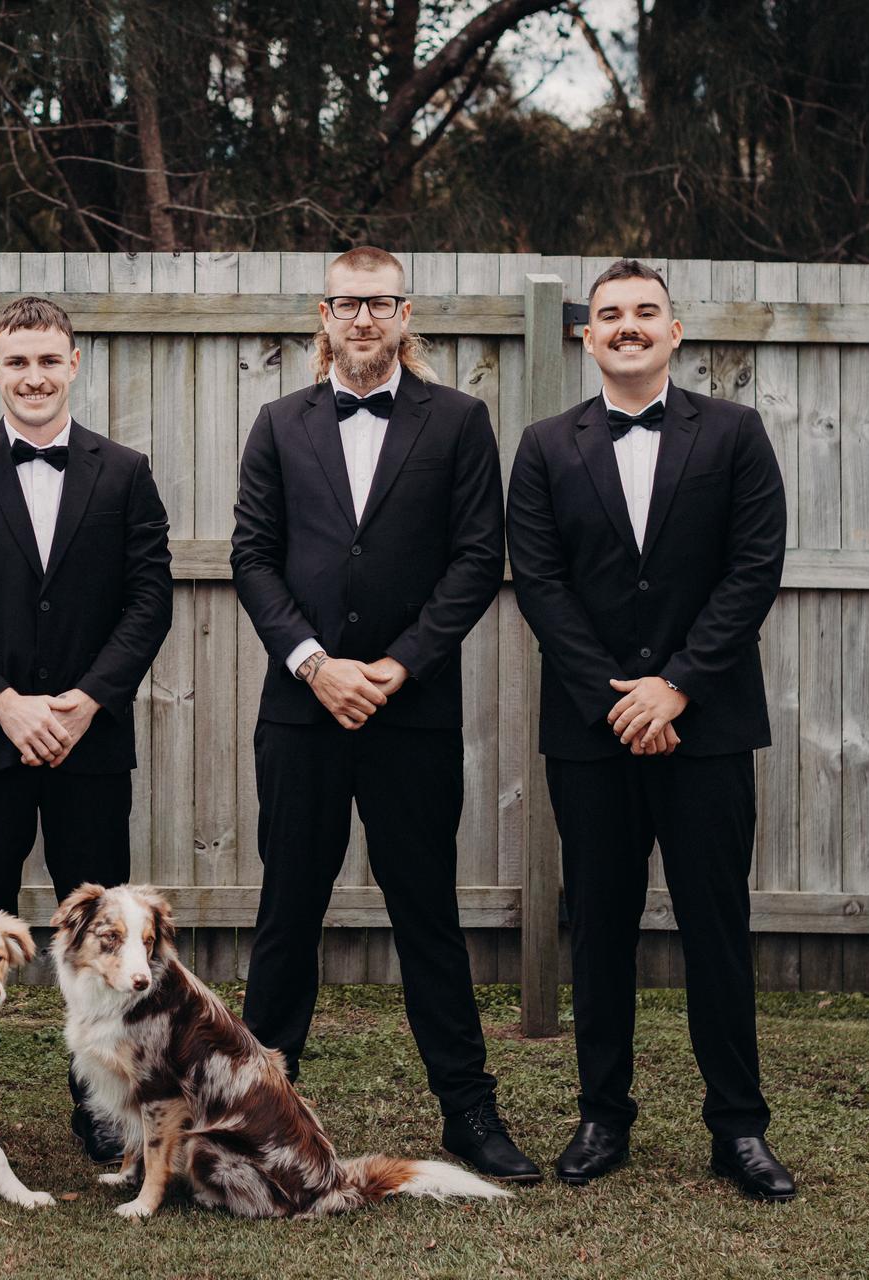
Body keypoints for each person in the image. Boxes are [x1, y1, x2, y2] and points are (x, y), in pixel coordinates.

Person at [230, 246, 536, 1182]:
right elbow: (253, 557)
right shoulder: (279, 423)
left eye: (381, 304)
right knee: (287, 914)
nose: (363, 319)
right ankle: (259, 1121)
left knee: (427, 916)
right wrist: (317, 665)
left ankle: (469, 1112)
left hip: (410, 716)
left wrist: (398, 666)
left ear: (408, 314)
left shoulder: (460, 423)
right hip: (301, 709)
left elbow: (477, 560)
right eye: (347, 304)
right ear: (321, 315)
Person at [506, 258, 794, 1200]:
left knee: (718, 925)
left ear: (674, 331)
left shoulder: (737, 435)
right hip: (591, 734)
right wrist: (617, 698)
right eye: (609, 315)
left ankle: (739, 1129)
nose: (627, 326)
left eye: (645, 312)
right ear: (586, 336)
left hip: (706, 727)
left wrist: (674, 689)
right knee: (598, 925)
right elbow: (540, 586)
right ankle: (602, 1117)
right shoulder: (547, 446)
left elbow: (753, 572)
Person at [0, 296, 172, 1163]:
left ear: (74, 363)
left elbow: (149, 599)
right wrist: (4, 702)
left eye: (47, 360)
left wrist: (88, 699)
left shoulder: (124, 472)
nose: (33, 376)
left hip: (91, 744)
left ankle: (101, 1102)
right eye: (16, 361)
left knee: (102, 931)